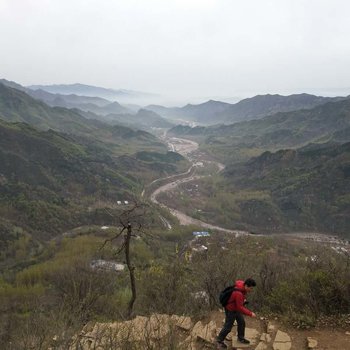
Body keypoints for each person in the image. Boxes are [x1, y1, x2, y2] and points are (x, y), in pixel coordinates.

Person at [217, 278, 257, 349]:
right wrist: (250, 313)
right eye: (250, 288)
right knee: (228, 327)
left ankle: (241, 338)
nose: (251, 290)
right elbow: (240, 308)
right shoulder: (238, 293)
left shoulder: (241, 285)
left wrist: (243, 300)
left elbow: (239, 301)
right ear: (246, 286)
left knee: (241, 322)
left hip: (235, 307)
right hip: (231, 309)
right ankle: (219, 341)